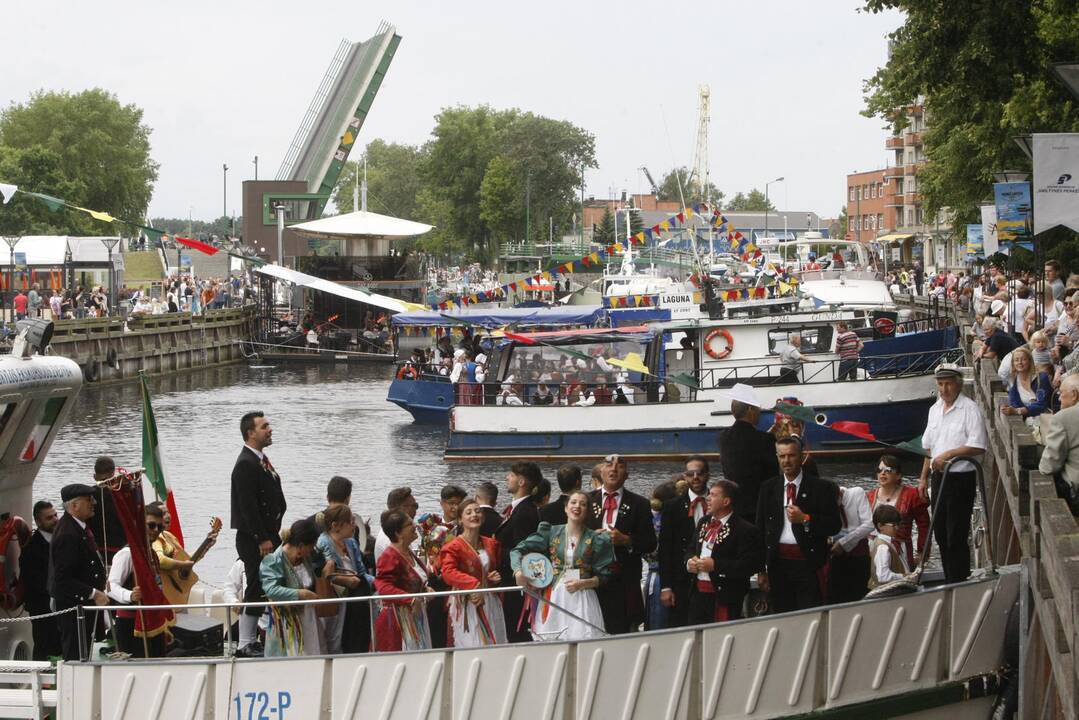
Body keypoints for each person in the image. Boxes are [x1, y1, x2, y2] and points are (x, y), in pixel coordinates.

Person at [512, 490, 614, 641]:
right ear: (566, 508)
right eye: (573, 502)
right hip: (555, 595)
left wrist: (585, 583)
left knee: (583, 638)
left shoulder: (596, 539)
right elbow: (517, 550)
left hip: (582, 596)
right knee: (552, 640)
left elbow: (605, 575)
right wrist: (518, 571)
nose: (577, 506)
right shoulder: (551, 532)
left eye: (583, 504)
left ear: (587, 511)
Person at [919, 363, 988, 583]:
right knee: (939, 530)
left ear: (957, 385)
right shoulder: (934, 410)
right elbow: (929, 447)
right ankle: (950, 576)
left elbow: (978, 446)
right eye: (941, 384)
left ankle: (958, 578)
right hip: (939, 476)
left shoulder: (969, 409)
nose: (944, 388)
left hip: (960, 477)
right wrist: (923, 478)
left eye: (948, 383)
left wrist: (948, 454)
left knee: (955, 532)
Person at [756, 438, 841, 612]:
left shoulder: (821, 487)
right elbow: (760, 530)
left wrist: (805, 519)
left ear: (801, 456)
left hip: (808, 563)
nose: (786, 461)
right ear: (777, 457)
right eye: (782, 456)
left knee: (809, 615)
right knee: (781, 614)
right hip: (777, 564)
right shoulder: (768, 487)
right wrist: (761, 570)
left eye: (791, 455)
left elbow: (834, 525)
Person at [230, 411, 287, 655]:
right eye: (264, 426)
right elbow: (248, 506)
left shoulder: (260, 460)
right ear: (250, 433)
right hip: (253, 538)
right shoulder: (245, 464)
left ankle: (254, 638)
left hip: (268, 536)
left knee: (263, 586)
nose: (270, 429)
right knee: (256, 586)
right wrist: (262, 538)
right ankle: (245, 642)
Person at [587, 454, 657, 634]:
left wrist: (625, 540)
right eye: (609, 465)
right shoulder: (585, 501)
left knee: (622, 632)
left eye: (619, 466)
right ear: (601, 472)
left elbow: (650, 543)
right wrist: (590, 538)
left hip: (624, 582)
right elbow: (571, 536)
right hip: (590, 579)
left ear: (627, 474)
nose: (613, 469)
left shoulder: (639, 504)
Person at [685, 481, 764, 623]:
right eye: (709, 494)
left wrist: (716, 565)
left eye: (713, 495)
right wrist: (690, 561)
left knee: (720, 639)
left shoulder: (745, 529)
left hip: (725, 595)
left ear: (726, 501)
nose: (708, 498)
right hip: (697, 593)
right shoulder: (703, 522)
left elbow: (751, 565)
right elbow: (691, 548)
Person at [50, 484, 109, 661]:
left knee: (86, 650)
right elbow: (62, 579)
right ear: (74, 506)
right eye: (89, 500)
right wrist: (93, 593)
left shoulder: (78, 527)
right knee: (77, 654)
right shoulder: (68, 534)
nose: (94, 503)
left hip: (84, 607)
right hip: (74, 607)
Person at [439, 499, 507, 647]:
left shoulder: (491, 543)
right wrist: (473, 584)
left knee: (494, 640)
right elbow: (448, 573)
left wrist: (492, 578)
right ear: (460, 520)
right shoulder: (453, 547)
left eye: (477, 511)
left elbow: (489, 570)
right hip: (466, 602)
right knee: (473, 642)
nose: (474, 515)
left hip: (489, 600)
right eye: (468, 512)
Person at [260, 518, 331, 657]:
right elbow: (271, 590)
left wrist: (330, 561)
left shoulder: (307, 557)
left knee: (315, 653)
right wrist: (300, 594)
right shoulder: (272, 561)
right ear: (301, 545)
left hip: (309, 617)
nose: (312, 550)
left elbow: (324, 549)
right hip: (286, 622)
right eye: (311, 546)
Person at [107, 504, 169, 657]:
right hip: (131, 624)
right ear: (140, 525)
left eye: (159, 527)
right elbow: (110, 587)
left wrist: (164, 626)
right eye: (151, 525)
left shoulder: (152, 555)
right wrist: (129, 595)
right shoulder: (127, 554)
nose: (155, 530)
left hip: (152, 622)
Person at [658, 456, 711, 627]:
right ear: (684, 476)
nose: (695, 477)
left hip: (712, 576)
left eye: (700, 473)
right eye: (690, 473)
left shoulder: (718, 501)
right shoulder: (672, 506)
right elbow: (665, 549)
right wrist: (666, 586)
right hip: (681, 580)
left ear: (708, 475)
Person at [495, 462, 542, 642]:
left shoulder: (524, 513)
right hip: (510, 580)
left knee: (516, 628)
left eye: (511, 475)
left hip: (515, 582)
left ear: (521, 482)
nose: (508, 478)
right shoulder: (521, 509)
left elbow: (521, 549)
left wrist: (494, 551)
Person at [317, 505, 373, 654]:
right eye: (350, 521)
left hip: (353, 598)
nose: (354, 525)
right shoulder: (323, 543)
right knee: (334, 638)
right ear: (336, 526)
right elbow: (323, 574)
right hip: (335, 598)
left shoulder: (351, 542)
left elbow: (361, 572)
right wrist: (346, 580)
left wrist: (378, 582)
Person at [718, 384, 779, 522]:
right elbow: (773, 475)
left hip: (734, 504)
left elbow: (746, 447)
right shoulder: (765, 440)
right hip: (758, 506)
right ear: (751, 410)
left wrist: (769, 435)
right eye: (758, 408)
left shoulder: (723, 436)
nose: (760, 412)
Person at [374, 510, 433, 651]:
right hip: (398, 619)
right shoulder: (389, 556)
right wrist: (410, 600)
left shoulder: (408, 552)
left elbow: (410, 581)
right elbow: (383, 586)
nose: (415, 526)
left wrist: (424, 589)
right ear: (398, 533)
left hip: (415, 616)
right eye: (409, 524)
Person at [866, 455, 930, 569]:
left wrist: (922, 552)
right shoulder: (869, 496)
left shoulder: (912, 495)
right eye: (879, 470)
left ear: (899, 475)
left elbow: (924, 526)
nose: (883, 473)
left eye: (888, 470)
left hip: (900, 550)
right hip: (873, 548)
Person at [20, 500, 61, 660]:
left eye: (56, 515)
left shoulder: (61, 539)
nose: (55, 519)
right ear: (38, 521)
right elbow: (33, 581)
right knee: (44, 645)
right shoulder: (31, 548)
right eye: (49, 518)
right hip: (42, 607)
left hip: (61, 603)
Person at [826, 486, 873, 604]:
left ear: (840, 495)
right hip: (836, 553)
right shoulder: (826, 500)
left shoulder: (857, 493)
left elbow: (869, 524)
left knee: (858, 593)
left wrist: (844, 542)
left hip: (858, 553)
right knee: (836, 594)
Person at [1039, 375, 1079, 512]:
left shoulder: (1063, 417)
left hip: (1074, 492)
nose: (1059, 398)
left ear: (1074, 395)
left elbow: (1048, 466)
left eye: (1061, 393)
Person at [645, 479, 679, 630]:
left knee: (654, 622)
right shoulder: (674, 521)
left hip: (653, 576)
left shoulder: (650, 520)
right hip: (667, 578)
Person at [1002, 346, 1052, 419]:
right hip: (1026, 420)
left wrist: (1017, 411)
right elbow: (1014, 401)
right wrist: (1007, 409)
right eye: (1016, 360)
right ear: (1013, 363)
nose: (1020, 362)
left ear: (1030, 361)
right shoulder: (1015, 379)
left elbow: (1042, 405)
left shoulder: (1041, 378)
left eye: (1024, 359)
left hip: (1044, 419)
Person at [868, 505, 910, 590]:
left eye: (898, 524)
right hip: (889, 594)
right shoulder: (883, 547)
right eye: (893, 525)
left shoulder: (891, 542)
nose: (897, 528)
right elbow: (883, 577)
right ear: (880, 526)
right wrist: (904, 576)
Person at [374, 487, 420, 561]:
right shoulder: (389, 542)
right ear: (399, 509)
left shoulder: (398, 535)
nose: (415, 510)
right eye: (414, 506)